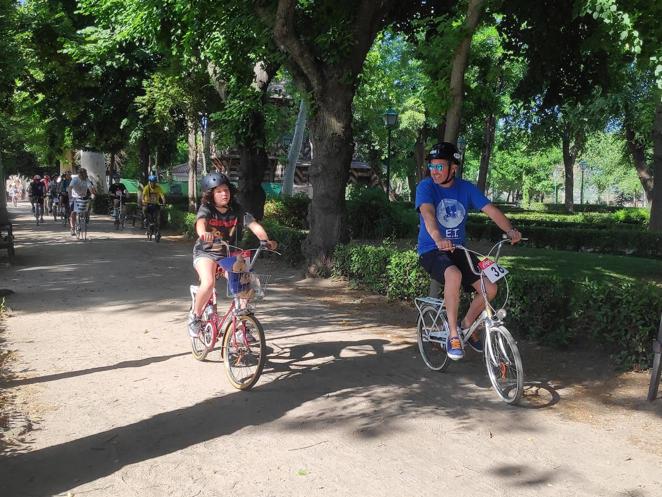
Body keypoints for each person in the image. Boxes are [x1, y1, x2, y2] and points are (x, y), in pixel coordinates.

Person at [415, 142, 522, 361]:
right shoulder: (426, 187)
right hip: (432, 251)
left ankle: (467, 326)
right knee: (453, 275)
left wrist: (510, 230)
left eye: (440, 167)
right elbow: (428, 215)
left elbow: (491, 210)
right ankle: (453, 335)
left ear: (453, 168)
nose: (434, 172)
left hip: (460, 250)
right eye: (432, 167)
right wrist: (438, 238)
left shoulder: (466, 188)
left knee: (491, 287)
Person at [188, 171, 277, 337]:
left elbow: (254, 225)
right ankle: (195, 316)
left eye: (226, 190)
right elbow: (200, 223)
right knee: (208, 283)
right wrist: (203, 234)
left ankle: (241, 325)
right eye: (219, 191)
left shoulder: (237, 209)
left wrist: (266, 240)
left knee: (245, 283)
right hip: (206, 252)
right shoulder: (206, 209)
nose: (224, 194)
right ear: (210, 194)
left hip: (228, 253)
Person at [67, 168, 96, 235]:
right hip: (74, 198)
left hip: (83, 197)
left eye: (85, 174)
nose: (84, 175)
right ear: (79, 174)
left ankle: (86, 216)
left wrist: (92, 194)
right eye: (82, 174)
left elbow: (90, 187)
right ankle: (72, 228)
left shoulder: (86, 179)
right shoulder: (75, 179)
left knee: (86, 209)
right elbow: (70, 188)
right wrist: (70, 197)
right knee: (73, 213)